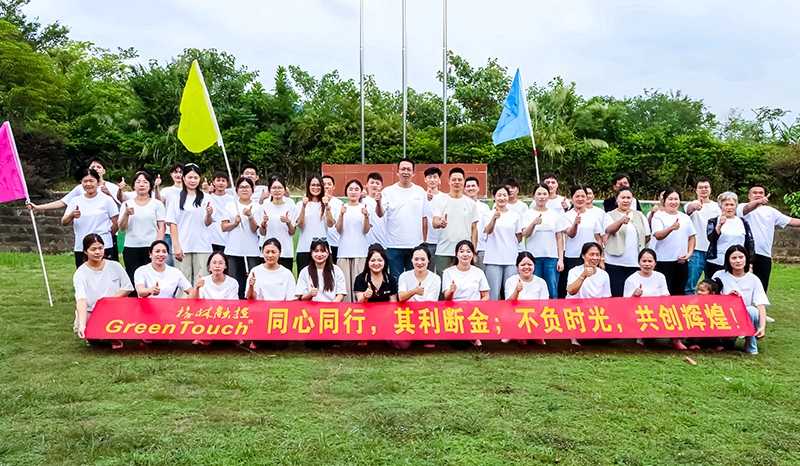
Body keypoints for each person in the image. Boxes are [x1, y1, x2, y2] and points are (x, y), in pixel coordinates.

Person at [73, 234, 134, 349]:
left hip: (114, 309)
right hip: (92, 310)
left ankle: (111, 336)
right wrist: (82, 324)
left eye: (100, 248)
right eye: (93, 249)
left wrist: (108, 301)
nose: (98, 252)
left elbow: (127, 288)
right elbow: (81, 299)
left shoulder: (115, 266)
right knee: (85, 328)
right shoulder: (80, 273)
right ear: (85, 251)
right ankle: (98, 337)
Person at [737, 185, 800, 292]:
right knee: (743, 284)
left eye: (761, 193)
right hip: (744, 252)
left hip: (764, 253)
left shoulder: (771, 211)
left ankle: (759, 307)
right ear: (749, 196)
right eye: (755, 193)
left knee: (762, 285)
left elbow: (791, 221)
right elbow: (747, 209)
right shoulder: (742, 207)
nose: (758, 195)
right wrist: (758, 202)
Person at [623, 249, 686, 350]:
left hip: (657, 310)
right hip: (640, 313)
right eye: (644, 261)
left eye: (650, 261)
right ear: (638, 262)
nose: (647, 264)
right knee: (649, 339)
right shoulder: (631, 279)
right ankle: (641, 336)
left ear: (655, 263)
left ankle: (674, 339)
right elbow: (626, 304)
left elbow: (665, 296)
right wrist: (634, 296)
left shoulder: (660, 277)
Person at [380, 159, 432, 281]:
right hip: (394, 245)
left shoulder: (420, 191)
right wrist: (378, 202)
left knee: (414, 280)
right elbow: (380, 213)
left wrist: (424, 242)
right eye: (403, 169)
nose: (406, 172)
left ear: (413, 172)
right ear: (397, 172)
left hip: (415, 245)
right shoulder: (388, 191)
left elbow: (424, 218)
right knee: (396, 280)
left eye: (409, 169)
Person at [165, 163, 213, 294]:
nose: (192, 181)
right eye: (190, 177)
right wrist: (176, 246)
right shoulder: (175, 199)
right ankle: (182, 307)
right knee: (182, 279)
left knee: (202, 279)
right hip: (183, 245)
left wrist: (209, 214)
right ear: (183, 178)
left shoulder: (206, 198)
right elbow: (172, 223)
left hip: (202, 245)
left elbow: (208, 223)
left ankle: (201, 306)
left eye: (195, 178)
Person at [712, 245, 768, 355]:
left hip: (743, 316)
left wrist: (762, 327)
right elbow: (709, 297)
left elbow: (760, 304)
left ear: (746, 259)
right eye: (734, 258)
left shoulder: (753, 279)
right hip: (722, 314)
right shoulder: (719, 275)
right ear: (728, 260)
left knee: (752, 311)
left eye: (741, 257)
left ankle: (750, 345)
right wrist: (728, 298)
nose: (738, 261)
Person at [61, 168, 120, 269]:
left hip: (103, 246)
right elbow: (64, 221)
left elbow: (116, 222)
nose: (88, 184)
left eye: (91, 181)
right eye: (85, 181)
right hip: (82, 246)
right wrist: (72, 215)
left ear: (98, 182)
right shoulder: (75, 200)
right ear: (81, 183)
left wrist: (109, 235)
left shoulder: (107, 200)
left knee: (106, 275)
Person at [118, 171, 165, 287]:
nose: (141, 185)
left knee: (152, 278)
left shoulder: (157, 204)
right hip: (131, 247)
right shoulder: (127, 204)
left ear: (150, 185)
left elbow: (161, 227)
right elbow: (122, 228)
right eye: (138, 182)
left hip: (150, 246)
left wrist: (157, 246)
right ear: (134, 186)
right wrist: (126, 214)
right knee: (132, 277)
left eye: (145, 182)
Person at [603, 186, 651, 297]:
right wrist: (620, 221)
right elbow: (609, 230)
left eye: (628, 198)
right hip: (615, 262)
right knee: (617, 294)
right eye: (622, 197)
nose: (626, 200)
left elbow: (647, 237)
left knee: (633, 294)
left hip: (634, 262)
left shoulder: (640, 215)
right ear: (617, 199)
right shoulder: (610, 215)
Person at [442, 240, 490, 348]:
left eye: (468, 251)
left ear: (473, 254)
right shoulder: (448, 272)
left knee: (467, 341)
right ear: (456, 254)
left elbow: (486, 295)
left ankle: (476, 335)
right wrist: (451, 291)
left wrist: (477, 305)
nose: (465, 254)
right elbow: (447, 297)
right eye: (461, 251)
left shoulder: (478, 272)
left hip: (474, 311)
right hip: (456, 311)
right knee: (458, 345)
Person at [523, 183, 567, 299]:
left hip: (551, 258)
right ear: (534, 196)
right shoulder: (527, 214)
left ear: (548, 196)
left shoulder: (555, 215)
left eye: (544, 194)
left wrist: (560, 259)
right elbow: (525, 234)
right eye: (539, 194)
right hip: (534, 257)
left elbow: (559, 237)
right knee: (535, 289)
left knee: (552, 289)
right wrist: (533, 223)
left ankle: (552, 313)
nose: (542, 197)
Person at [558, 185, 603, 298]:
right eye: (577, 196)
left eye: (583, 196)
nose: (580, 199)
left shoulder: (593, 215)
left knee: (589, 285)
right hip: (572, 256)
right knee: (572, 286)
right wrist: (575, 224)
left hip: (591, 257)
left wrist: (601, 258)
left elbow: (598, 238)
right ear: (571, 198)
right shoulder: (567, 216)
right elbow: (571, 234)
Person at [432, 168, 479, 274]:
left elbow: (474, 229)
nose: (457, 182)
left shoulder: (470, 203)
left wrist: (473, 251)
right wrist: (440, 223)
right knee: (444, 284)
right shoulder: (440, 201)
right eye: (454, 180)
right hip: (444, 250)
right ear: (449, 181)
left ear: (463, 181)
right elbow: (435, 222)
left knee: (463, 283)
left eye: (459, 180)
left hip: (464, 252)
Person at [651, 187, 696, 296]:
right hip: (664, 260)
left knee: (679, 291)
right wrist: (671, 228)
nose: (673, 202)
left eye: (676, 199)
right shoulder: (658, 217)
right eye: (670, 199)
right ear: (664, 201)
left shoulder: (685, 217)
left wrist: (689, 254)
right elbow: (658, 235)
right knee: (665, 292)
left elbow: (691, 237)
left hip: (681, 261)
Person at [221, 177, 261, 298]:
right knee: (233, 282)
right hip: (233, 250)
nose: (244, 190)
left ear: (252, 190)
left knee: (251, 282)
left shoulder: (257, 207)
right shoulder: (230, 205)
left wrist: (250, 216)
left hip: (251, 251)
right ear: (237, 190)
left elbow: (255, 229)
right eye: (241, 187)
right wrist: (235, 223)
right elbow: (224, 227)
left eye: (247, 187)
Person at [566, 242, 611, 346]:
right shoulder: (574, 271)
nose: (595, 258)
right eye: (591, 254)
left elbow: (606, 300)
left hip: (594, 312)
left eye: (597, 254)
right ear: (583, 256)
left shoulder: (604, 275)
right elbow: (571, 291)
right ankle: (576, 336)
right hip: (577, 311)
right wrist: (583, 276)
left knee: (614, 331)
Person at [482, 185, 523, 300]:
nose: (502, 198)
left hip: (510, 258)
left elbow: (519, 236)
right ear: (493, 197)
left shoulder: (515, 215)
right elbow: (488, 231)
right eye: (499, 195)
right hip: (493, 258)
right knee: (493, 293)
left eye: (504, 195)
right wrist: (494, 218)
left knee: (510, 292)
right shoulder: (488, 214)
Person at [191, 251, 240, 346]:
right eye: (214, 263)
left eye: (220, 263)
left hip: (225, 315)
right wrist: (197, 289)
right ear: (209, 266)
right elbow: (197, 303)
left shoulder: (233, 282)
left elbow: (233, 305)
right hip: (207, 315)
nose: (217, 266)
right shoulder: (203, 281)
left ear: (225, 266)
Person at [334, 179, 372, 301]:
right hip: (344, 251)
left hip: (360, 251)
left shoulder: (365, 207)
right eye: (351, 189)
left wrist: (366, 215)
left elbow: (365, 230)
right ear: (346, 192)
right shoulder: (341, 207)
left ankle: (360, 310)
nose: (353, 192)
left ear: (361, 192)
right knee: (344, 285)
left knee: (359, 284)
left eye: (357, 189)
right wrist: (341, 215)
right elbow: (339, 230)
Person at [684, 177, 721, 294]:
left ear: (710, 189)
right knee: (690, 284)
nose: (703, 190)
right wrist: (695, 207)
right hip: (696, 250)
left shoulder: (718, 207)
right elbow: (689, 209)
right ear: (696, 190)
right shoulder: (691, 204)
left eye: (706, 187)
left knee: (712, 285)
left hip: (713, 250)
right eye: (700, 187)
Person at [705, 192, 755, 279]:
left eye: (732, 204)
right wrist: (719, 225)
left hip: (737, 262)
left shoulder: (743, 222)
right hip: (717, 262)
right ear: (721, 206)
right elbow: (711, 239)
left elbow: (749, 242)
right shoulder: (713, 221)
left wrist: (750, 263)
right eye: (726, 205)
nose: (729, 207)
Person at [504, 251, 548, 346]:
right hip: (516, 313)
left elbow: (544, 304)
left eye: (529, 264)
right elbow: (509, 303)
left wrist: (534, 314)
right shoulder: (511, 281)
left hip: (535, 314)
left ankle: (536, 335)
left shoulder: (541, 282)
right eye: (523, 265)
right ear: (517, 267)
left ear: (534, 266)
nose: (526, 267)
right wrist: (517, 291)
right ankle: (517, 334)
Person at [256, 176, 296, 271]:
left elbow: (292, 232)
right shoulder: (263, 208)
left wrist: (288, 222)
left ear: (285, 190)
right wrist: (263, 224)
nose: (277, 190)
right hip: (268, 252)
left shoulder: (292, 207)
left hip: (286, 251)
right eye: (274, 188)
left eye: (280, 188)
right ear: (269, 191)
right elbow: (262, 233)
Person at [295, 174, 329, 273]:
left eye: (318, 185)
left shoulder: (326, 204)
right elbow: (300, 225)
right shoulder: (300, 204)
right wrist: (303, 207)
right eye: (313, 185)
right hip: (304, 248)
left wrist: (327, 206)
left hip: (322, 249)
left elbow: (330, 224)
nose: (315, 188)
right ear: (308, 186)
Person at [158, 163, 184, 266]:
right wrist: (156, 187)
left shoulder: (190, 191)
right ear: (171, 174)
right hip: (168, 231)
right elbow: (159, 201)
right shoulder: (166, 191)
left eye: (181, 172)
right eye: (175, 172)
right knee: (168, 262)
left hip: (183, 231)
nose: (178, 175)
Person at [464, 176, 491, 270]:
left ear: (478, 188)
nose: (471, 188)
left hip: (482, 248)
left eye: (473, 186)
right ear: (464, 189)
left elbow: (488, 227)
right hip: (464, 249)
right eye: (468, 186)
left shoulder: (485, 207)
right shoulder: (461, 205)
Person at [423, 166, 446, 268]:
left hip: (443, 241)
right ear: (425, 179)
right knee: (427, 272)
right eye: (429, 177)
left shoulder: (445, 197)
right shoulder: (421, 196)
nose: (432, 180)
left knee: (443, 272)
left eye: (435, 177)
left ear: (439, 180)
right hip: (427, 242)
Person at [206, 171, 235, 253]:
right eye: (218, 180)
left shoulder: (232, 199)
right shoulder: (208, 197)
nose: (220, 183)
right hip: (211, 238)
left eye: (223, 181)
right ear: (213, 182)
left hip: (227, 238)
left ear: (227, 183)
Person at [362, 172, 389, 249]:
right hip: (365, 244)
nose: (374, 185)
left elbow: (380, 214)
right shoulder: (362, 201)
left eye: (377, 183)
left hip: (383, 242)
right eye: (372, 182)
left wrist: (378, 202)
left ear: (381, 186)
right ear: (366, 185)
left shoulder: (385, 200)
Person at [321, 175, 345, 262]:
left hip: (335, 243)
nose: (326, 186)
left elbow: (334, 223)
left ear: (333, 187)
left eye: (329, 184)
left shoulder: (339, 204)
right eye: (324, 184)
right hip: (319, 242)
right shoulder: (316, 202)